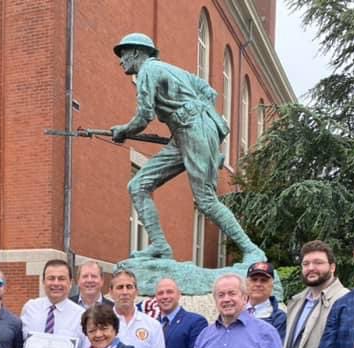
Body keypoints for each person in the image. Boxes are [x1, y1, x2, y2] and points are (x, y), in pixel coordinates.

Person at [109, 33, 265, 265]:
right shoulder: (174, 71)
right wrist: (203, 134)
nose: (121, 61)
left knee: (205, 200)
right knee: (138, 185)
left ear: (135, 52)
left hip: (192, 130)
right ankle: (160, 246)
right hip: (186, 134)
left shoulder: (147, 72)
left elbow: (144, 116)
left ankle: (252, 251)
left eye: (123, 54)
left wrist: (123, 130)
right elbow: (209, 92)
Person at [247, 262, 287, 338]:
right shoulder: (235, 311)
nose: (258, 284)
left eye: (263, 280)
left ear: (272, 284)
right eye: (254, 280)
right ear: (247, 283)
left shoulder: (280, 318)